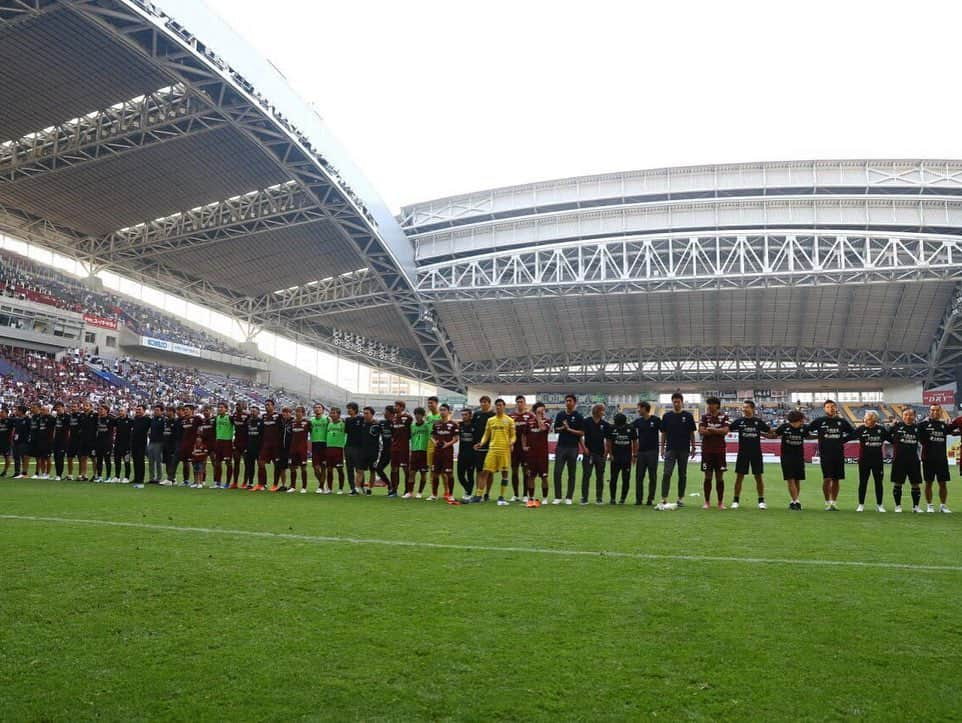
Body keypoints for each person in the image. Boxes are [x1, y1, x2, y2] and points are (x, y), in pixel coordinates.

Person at [807, 399, 855, 511]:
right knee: (827, 478)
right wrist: (817, 437)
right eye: (828, 406)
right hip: (825, 454)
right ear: (824, 409)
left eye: (833, 406)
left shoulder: (842, 421)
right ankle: (827, 501)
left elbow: (853, 433)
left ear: (836, 408)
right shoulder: (819, 421)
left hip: (838, 453)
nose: (831, 408)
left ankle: (834, 502)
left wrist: (842, 440)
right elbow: (806, 431)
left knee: (836, 479)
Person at [473, 398, 516, 505]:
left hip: (504, 450)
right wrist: (481, 443)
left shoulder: (509, 420)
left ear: (504, 406)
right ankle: (478, 496)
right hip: (492, 450)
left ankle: (501, 497)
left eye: (500, 405)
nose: (498, 407)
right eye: (497, 405)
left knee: (505, 474)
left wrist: (511, 442)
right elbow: (486, 435)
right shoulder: (490, 420)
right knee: (484, 472)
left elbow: (513, 436)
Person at [729, 400, 771, 510]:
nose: (744, 409)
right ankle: (736, 500)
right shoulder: (739, 421)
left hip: (756, 453)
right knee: (739, 477)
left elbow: (769, 431)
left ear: (752, 409)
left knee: (758, 477)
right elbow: (727, 429)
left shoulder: (758, 422)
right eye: (743, 407)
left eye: (747, 407)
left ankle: (761, 501)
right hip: (743, 453)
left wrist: (762, 433)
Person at [658, 393, 696, 509]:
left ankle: (680, 498)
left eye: (678, 401)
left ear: (682, 402)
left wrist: (693, 447)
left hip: (684, 449)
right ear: (672, 402)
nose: (676, 403)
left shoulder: (688, 416)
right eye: (674, 401)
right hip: (670, 449)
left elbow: (692, 433)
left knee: (682, 474)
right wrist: (662, 448)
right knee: (666, 473)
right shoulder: (666, 416)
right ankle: (664, 498)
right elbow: (663, 433)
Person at [920, 404, 955, 514]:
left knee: (943, 483)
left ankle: (943, 506)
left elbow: (954, 431)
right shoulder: (923, 425)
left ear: (941, 412)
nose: (935, 412)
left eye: (937, 410)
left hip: (942, 459)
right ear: (929, 411)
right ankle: (929, 505)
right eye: (933, 410)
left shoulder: (944, 425)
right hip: (928, 459)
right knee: (928, 483)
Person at [889, 407, 924, 513]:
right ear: (902, 416)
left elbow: (923, 440)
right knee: (898, 483)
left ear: (914, 416)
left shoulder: (918, 428)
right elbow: (886, 435)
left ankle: (916, 506)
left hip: (913, 460)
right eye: (906, 415)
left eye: (911, 415)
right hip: (899, 460)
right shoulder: (896, 426)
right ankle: (898, 506)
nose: (908, 417)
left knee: (915, 483)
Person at [853, 411, 889, 512]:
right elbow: (849, 437)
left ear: (874, 420)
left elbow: (891, 439)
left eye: (868, 419)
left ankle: (879, 505)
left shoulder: (881, 430)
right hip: (864, 461)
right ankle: (861, 505)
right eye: (865, 418)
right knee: (863, 482)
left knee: (879, 483)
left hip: (877, 461)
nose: (865, 420)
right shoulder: (861, 429)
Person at [698, 397, 731, 509]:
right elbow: (701, 431)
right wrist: (718, 431)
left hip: (719, 450)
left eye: (711, 404)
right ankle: (707, 502)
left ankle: (720, 502)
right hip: (707, 450)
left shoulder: (724, 416)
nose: (709, 406)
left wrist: (711, 430)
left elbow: (725, 431)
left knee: (719, 477)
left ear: (717, 405)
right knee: (708, 476)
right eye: (708, 404)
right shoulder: (704, 417)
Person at [553, 394, 584, 505]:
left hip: (573, 448)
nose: (568, 402)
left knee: (572, 473)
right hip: (561, 447)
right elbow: (555, 429)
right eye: (566, 401)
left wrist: (569, 429)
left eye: (570, 401)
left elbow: (581, 433)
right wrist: (563, 428)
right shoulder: (560, 415)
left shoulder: (579, 416)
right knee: (557, 472)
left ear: (574, 403)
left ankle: (569, 497)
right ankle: (558, 497)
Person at [773, 410, 807, 510]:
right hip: (787, 457)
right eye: (801, 420)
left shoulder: (803, 428)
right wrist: (760, 433)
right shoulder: (784, 427)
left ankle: (794, 501)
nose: (802, 422)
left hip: (799, 457)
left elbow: (809, 436)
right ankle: (796, 501)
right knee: (790, 479)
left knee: (797, 480)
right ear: (796, 420)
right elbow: (774, 435)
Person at [631, 401, 660, 506]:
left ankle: (650, 499)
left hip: (653, 452)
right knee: (639, 477)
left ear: (644, 408)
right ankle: (639, 499)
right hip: (641, 452)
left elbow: (665, 430)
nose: (638, 410)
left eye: (639, 408)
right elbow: (628, 429)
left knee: (652, 476)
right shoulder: (638, 422)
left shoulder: (656, 420)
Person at [581, 403, 610, 505]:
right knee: (586, 476)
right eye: (602, 410)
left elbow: (608, 440)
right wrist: (584, 449)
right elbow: (580, 436)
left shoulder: (605, 424)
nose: (603, 412)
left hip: (600, 454)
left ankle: (599, 498)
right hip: (589, 454)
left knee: (600, 477)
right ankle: (584, 498)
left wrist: (606, 452)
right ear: (597, 411)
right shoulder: (586, 422)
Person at [430, 404, 458, 502]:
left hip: (447, 452)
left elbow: (456, 439)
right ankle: (434, 494)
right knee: (435, 474)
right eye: (441, 410)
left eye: (444, 410)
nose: (442, 412)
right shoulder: (436, 424)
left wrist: (447, 444)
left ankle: (450, 494)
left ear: (448, 411)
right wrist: (435, 442)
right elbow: (432, 436)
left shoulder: (453, 424)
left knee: (449, 474)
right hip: (437, 452)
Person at [606, 412, 635, 504]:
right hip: (615, 458)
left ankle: (623, 499)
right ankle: (613, 498)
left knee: (626, 479)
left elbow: (635, 442)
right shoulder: (612, 428)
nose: (618, 426)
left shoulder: (630, 428)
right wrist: (610, 454)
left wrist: (634, 455)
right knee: (613, 478)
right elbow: (608, 441)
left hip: (627, 458)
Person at [525, 402, 551, 505]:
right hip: (531, 453)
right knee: (531, 476)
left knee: (544, 476)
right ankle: (531, 497)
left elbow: (543, 428)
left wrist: (539, 417)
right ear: (535, 411)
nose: (542, 412)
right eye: (539, 411)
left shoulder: (547, 421)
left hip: (542, 453)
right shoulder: (529, 422)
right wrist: (524, 445)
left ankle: (544, 498)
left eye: (543, 410)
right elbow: (524, 434)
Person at [510, 395, 534, 501]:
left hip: (525, 448)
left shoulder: (530, 416)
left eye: (521, 402)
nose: (520, 403)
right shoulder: (511, 417)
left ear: (525, 403)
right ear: (516, 403)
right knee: (514, 471)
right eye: (518, 402)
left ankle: (525, 495)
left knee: (526, 472)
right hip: (514, 448)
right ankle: (515, 495)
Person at [472, 397, 495, 498]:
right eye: (481, 402)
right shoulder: (477, 414)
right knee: (479, 470)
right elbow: (473, 428)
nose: (483, 404)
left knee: (489, 471)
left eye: (485, 402)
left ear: (489, 403)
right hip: (479, 447)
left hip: (491, 447)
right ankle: (478, 493)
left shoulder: (493, 415)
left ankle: (487, 493)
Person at [390, 400, 412, 497]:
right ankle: (394, 490)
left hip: (404, 447)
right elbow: (393, 433)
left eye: (397, 406)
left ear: (402, 407)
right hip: (395, 447)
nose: (395, 407)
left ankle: (407, 490)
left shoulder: (408, 418)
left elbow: (411, 433)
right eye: (395, 406)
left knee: (405, 468)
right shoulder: (394, 419)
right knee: (394, 468)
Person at [258, 399, 281, 491]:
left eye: (269, 405)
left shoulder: (278, 416)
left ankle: (275, 485)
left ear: (273, 406)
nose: (267, 406)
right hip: (266, 444)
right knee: (261, 463)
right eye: (265, 405)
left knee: (277, 464)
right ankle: (263, 484)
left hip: (276, 444)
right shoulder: (263, 417)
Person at [358, 406, 381, 496]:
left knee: (372, 470)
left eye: (367, 413)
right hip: (362, 450)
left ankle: (369, 489)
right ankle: (357, 488)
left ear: (372, 414)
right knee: (360, 470)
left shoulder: (377, 424)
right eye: (364, 413)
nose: (365, 415)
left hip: (373, 451)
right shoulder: (361, 423)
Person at [288, 405, 312, 493]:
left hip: (302, 448)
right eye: (296, 411)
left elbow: (312, 432)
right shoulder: (292, 422)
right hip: (293, 448)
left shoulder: (307, 422)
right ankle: (293, 486)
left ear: (303, 413)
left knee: (303, 467)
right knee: (292, 467)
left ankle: (304, 487)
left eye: (299, 411)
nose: (297, 413)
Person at [409, 407, 431, 498]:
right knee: (412, 472)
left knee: (423, 473)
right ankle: (410, 492)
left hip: (424, 452)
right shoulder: (412, 426)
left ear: (423, 415)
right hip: (414, 451)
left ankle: (420, 492)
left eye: (419, 414)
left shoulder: (427, 426)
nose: (417, 416)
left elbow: (431, 436)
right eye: (416, 414)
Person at [177, 404, 202, 486]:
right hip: (184, 444)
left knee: (195, 463)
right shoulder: (183, 420)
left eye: (187, 409)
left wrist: (199, 440)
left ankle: (197, 481)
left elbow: (201, 428)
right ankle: (186, 480)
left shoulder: (197, 418)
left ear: (192, 410)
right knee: (185, 462)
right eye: (184, 410)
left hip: (193, 444)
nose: (185, 411)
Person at [324, 406, 347, 493]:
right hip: (329, 448)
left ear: (339, 415)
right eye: (331, 413)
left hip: (339, 448)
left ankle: (340, 489)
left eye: (334, 413)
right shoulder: (329, 424)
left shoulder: (343, 424)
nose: (332, 414)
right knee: (329, 469)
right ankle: (329, 488)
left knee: (339, 469)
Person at [212, 402, 234, 489]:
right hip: (218, 442)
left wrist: (233, 438)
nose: (220, 409)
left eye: (222, 407)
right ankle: (218, 482)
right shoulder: (216, 418)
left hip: (227, 442)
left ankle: (228, 483)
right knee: (217, 463)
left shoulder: (230, 418)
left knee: (228, 463)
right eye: (219, 407)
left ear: (226, 409)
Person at [456, 408, 476, 501]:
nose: (464, 417)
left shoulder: (475, 426)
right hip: (462, 455)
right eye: (462, 415)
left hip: (472, 455)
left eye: (466, 415)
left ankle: (468, 493)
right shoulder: (460, 425)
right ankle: (468, 490)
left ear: (470, 416)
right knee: (460, 476)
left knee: (470, 475)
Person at [343, 402, 363, 490]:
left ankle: (359, 486)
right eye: (348, 408)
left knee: (359, 468)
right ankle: (352, 488)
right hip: (348, 446)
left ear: (354, 409)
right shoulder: (347, 420)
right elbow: (346, 432)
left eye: (349, 408)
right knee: (349, 469)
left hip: (359, 447)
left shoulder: (361, 419)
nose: (348, 410)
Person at [310, 403, 329, 494]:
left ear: (323, 410)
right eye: (315, 408)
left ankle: (321, 486)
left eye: (319, 407)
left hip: (324, 444)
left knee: (323, 466)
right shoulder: (311, 420)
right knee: (315, 467)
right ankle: (322, 483)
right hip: (315, 444)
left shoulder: (327, 419)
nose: (317, 409)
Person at [230, 401, 249, 488]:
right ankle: (235, 482)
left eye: (239, 405)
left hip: (246, 442)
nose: (237, 406)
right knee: (236, 462)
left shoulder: (247, 416)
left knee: (246, 463)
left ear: (243, 406)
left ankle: (245, 482)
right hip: (237, 442)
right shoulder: (233, 416)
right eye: (236, 405)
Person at [375, 406, 394, 494]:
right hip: (385, 450)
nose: (384, 413)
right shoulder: (382, 423)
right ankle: (389, 485)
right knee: (378, 468)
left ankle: (397, 489)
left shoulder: (395, 423)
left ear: (390, 413)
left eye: (385, 411)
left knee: (395, 470)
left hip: (394, 450)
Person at [131, 404, 150, 488]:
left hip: (142, 443)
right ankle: (136, 478)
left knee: (140, 461)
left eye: (139, 409)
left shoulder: (147, 419)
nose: (137, 411)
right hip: (134, 443)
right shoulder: (135, 419)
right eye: (137, 409)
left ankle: (140, 479)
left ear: (144, 410)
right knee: (135, 461)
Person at [111, 407, 132, 483]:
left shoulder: (130, 421)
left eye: (122, 411)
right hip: (117, 444)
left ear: (126, 412)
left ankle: (127, 477)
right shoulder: (117, 420)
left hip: (126, 445)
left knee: (127, 461)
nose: (120, 412)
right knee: (117, 461)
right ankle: (117, 476)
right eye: (119, 411)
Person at [93, 404, 113, 482]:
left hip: (107, 443)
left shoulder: (111, 419)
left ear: (106, 410)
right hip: (99, 442)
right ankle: (100, 476)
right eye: (99, 409)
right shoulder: (97, 419)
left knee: (107, 460)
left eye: (102, 409)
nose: (100, 411)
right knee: (99, 460)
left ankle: (108, 477)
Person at [147, 404, 166, 484]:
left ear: (162, 411)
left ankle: (159, 478)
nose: (155, 411)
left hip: (159, 442)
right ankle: (151, 478)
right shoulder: (153, 419)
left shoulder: (163, 420)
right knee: (150, 461)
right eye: (155, 410)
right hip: (151, 442)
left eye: (157, 410)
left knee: (158, 461)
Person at [245, 405, 262, 490]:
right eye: (251, 411)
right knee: (250, 466)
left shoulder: (261, 421)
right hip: (249, 447)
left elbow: (263, 435)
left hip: (258, 447)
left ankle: (262, 483)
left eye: (254, 411)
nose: (252, 413)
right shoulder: (248, 421)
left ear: (258, 412)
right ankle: (250, 483)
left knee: (260, 465)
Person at [161, 405, 179, 485]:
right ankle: (172, 479)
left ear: (173, 412)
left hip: (172, 445)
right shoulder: (166, 421)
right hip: (165, 445)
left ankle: (170, 479)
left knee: (172, 462)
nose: (167, 412)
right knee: (167, 462)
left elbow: (176, 435)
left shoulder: (175, 421)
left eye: (169, 411)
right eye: (167, 411)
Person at [11, 405, 30, 479]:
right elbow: (16, 430)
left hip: (24, 442)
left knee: (23, 457)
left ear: (21, 411)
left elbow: (30, 430)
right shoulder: (17, 420)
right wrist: (13, 439)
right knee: (16, 457)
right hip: (16, 441)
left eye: (17, 410)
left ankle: (24, 473)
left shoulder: (28, 419)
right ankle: (17, 472)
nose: (16, 411)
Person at [51, 402, 68, 481]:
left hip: (63, 440)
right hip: (56, 440)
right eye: (56, 407)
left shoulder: (67, 417)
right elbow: (54, 428)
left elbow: (69, 430)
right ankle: (57, 474)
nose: (57, 409)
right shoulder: (56, 417)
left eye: (59, 407)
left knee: (60, 457)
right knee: (56, 457)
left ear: (63, 407)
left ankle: (59, 475)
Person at [0, 408, 11, 477]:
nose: (0, 413)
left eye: (2, 412)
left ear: (7, 413)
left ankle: (5, 471)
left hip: (6, 442)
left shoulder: (10, 421)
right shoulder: (0, 421)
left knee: (7, 457)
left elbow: (13, 430)